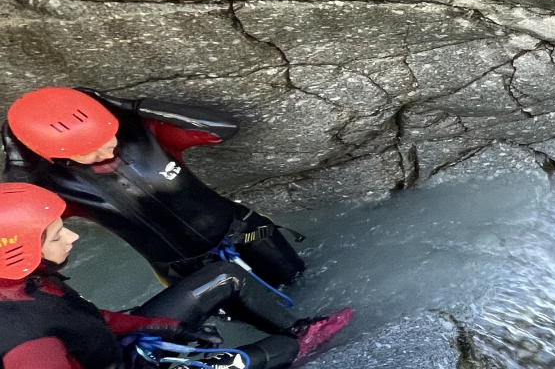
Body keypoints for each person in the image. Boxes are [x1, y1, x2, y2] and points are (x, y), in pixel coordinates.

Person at [0, 182, 311, 369]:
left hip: (122, 353)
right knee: (282, 350)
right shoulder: (25, 333)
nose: (73, 236)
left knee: (224, 276)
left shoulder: (24, 279)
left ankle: (299, 328)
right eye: (56, 237)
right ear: (19, 251)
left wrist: (168, 328)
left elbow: (85, 320)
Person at [3, 86, 323, 339]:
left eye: (107, 135)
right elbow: (22, 220)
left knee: (302, 281)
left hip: (247, 232)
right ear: (55, 156)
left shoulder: (143, 135)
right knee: (267, 323)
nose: (108, 149)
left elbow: (225, 127)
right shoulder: (57, 186)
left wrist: (130, 105)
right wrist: (17, 163)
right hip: (186, 269)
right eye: (90, 149)